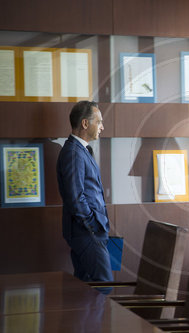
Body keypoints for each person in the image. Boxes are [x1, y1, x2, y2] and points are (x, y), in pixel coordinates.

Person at [56, 101, 113, 289]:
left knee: (84, 288)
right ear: (85, 124)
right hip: (87, 233)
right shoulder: (73, 152)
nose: (102, 127)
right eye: (99, 122)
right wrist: (92, 226)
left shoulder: (81, 150)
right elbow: (75, 197)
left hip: (89, 231)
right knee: (104, 285)